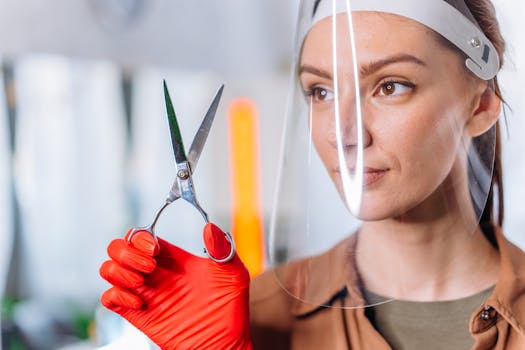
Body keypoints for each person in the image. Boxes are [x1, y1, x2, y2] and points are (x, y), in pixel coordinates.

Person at [99, 0, 525, 349]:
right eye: (320, 91)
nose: (344, 134)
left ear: (481, 104)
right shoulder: (255, 311)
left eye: (390, 85)